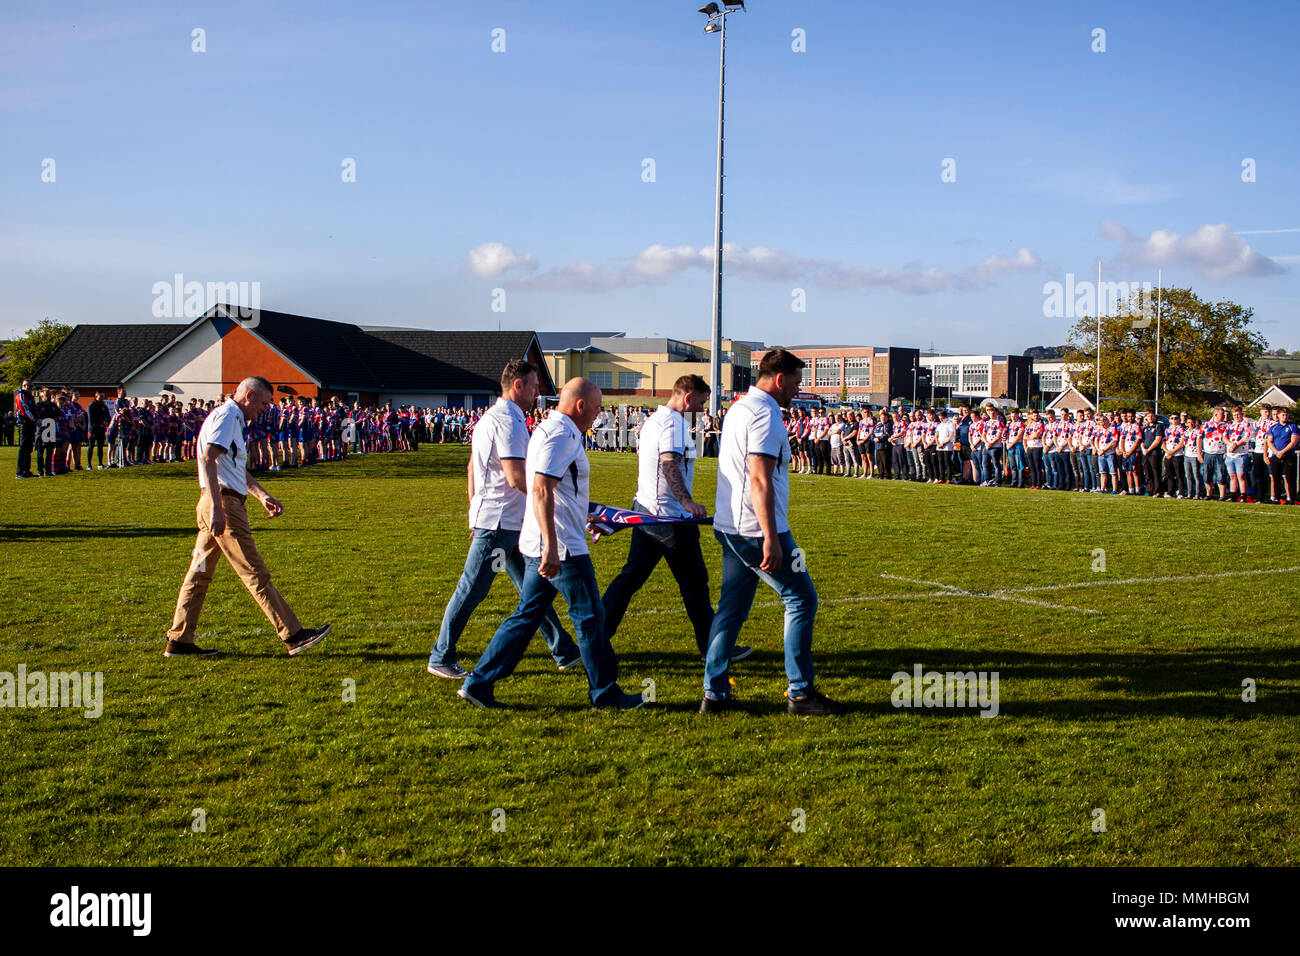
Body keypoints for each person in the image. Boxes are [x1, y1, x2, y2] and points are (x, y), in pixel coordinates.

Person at [459, 378, 647, 710]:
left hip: (545, 541)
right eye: (598, 406)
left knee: (527, 615)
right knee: (590, 615)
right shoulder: (561, 434)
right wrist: (551, 545)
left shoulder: (552, 430)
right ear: (580, 406)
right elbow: (542, 489)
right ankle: (605, 692)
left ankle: (479, 682)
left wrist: (588, 516)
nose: (599, 412)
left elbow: (557, 492)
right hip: (561, 548)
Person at [701, 348, 842, 716]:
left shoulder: (740, 408)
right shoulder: (764, 414)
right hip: (756, 528)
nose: (798, 390)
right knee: (802, 600)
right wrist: (771, 536)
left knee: (731, 608)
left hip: (731, 526)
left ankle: (714, 695)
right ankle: (800, 692)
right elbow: (760, 479)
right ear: (779, 379)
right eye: (795, 382)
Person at [427, 361, 583, 679]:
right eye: (534, 386)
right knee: (472, 589)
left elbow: (472, 468)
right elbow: (515, 477)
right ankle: (441, 655)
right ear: (517, 386)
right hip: (500, 523)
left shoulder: (492, 417)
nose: (538, 393)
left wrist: (475, 514)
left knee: (533, 592)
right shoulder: (509, 422)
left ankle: (564, 650)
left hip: (505, 521)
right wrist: (547, 499)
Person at [163, 376, 331, 657]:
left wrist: (262, 495)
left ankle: (179, 640)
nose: (266, 409)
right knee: (254, 572)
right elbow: (207, 459)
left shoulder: (231, 419)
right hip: (224, 506)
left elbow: (233, 469)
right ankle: (293, 634)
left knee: (199, 574)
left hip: (217, 501)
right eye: (264, 402)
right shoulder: (228, 417)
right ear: (249, 395)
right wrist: (218, 507)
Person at [599, 374, 752, 664]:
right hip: (669, 518)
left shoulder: (654, 421)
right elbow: (669, 462)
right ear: (687, 397)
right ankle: (713, 647)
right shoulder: (674, 423)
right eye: (701, 402)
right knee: (694, 582)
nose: (702, 408)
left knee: (632, 578)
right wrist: (686, 501)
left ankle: (596, 637)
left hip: (648, 511)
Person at [1266, 407, 1299, 504]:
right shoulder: (1274, 427)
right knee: (1275, 478)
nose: (1285, 417)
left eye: (1286, 415)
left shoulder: (1293, 426)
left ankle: (1291, 499)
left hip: (1288, 456)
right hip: (1276, 456)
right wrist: (1276, 452)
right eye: (1283, 415)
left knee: (1289, 478)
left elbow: (1293, 442)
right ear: (1279, 415)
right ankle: (1276, 498)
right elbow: (1269, 441)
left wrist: (1283, 451)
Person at [1224, 405, 1252, 503]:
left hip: (1241, 454)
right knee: (1232, 476)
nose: (1237, 417)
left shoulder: (1246, 425)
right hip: (1230, 454)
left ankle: (1243, 496)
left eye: (1238, 414)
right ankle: (1233, 496)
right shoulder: (1230, 425)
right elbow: (1224, 437)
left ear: (1242, 414)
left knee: (1241, 476)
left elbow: (1246, 437)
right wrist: (1230, 444)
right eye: (1235, 415)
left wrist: (1236, 445)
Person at [1201, 407, 1229, 501]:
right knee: (1207, 475)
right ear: (1216, 415)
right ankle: (1209, 494)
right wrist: (1199, 453)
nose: (1224, 416)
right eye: (1222, 414)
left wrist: (1226, 452)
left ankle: (1222, 495)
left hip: (1220, 453)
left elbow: (1229, 439)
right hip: (1208, 453)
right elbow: (1199, 438)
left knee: (1221, 475)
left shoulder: (1226, 425)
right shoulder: (1206, 425)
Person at [13, 380, 37, 479]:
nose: (30, 389)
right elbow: (24, 410)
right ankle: (19, 471)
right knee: (23, 447)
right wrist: (34, 420)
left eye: (31, 387)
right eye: (28, 387)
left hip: (30, 424)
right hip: (24, 423)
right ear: (23, 386)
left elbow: (34, 409)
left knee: (29, 447)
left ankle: (26, 470)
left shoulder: (30, 397)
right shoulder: (21, 396)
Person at [1139, 410, 1164, 497]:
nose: (1150, 418)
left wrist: (1148, 449)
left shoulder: (1158, 426)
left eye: (1152, 416)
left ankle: (1157, 491)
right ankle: (1149, 490)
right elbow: (1141, 440)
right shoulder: (1145, 427)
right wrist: (1143, 449)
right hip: (1145, 453)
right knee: (1147, 472)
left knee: (1156, 472)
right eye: (1149, 416)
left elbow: (1158, 440)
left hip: (1154, 452)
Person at [1181, 414, 1203, 499]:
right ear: (1186, 423)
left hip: (1194, 455)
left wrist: (1199, 454)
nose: (1191, 424)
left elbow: (1199, 444)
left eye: (1192, 422)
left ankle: (1198, 493)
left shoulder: (1198, 431)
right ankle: (1190, 493)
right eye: (1189, 422)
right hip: (1187, 455)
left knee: (1196, 475)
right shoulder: (1185, 432)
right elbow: (1183, 442)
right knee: (1188, 475)